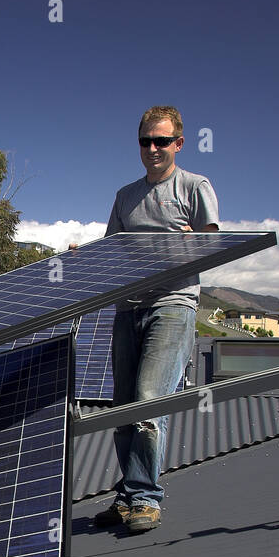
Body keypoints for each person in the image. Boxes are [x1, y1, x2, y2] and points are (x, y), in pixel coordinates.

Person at [92, 105, 219, 533]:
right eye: (146, 141)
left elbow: (214, 242)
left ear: (178, 144)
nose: (152, 148)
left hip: (172, 304)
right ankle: (128, 496)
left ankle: (147, 497)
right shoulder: (125, 195)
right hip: (128, 306)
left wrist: (194, 243)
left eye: (161, 141)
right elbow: (111, 250)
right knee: (122, 406)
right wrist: (80, 259)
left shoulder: (194, 187)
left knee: (149, 401)